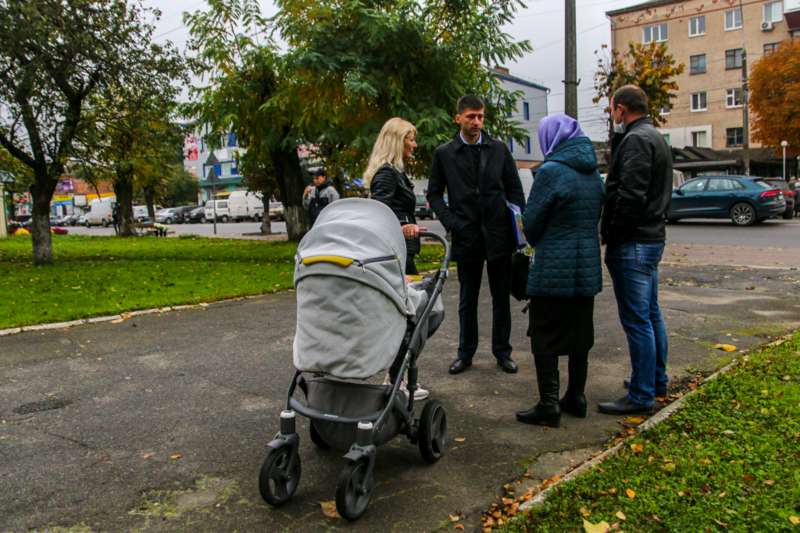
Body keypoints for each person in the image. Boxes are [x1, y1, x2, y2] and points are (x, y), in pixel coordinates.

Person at [514, 114, 604, 427]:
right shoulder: (592, 171)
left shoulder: (551, 172)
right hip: (587, 268)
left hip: (553, 269)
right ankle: (576, 397)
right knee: (580, 335)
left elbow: (533, 225)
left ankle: (548, 405)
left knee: (544, 336)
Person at [427, 95, 525, 375]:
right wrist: (450, 221)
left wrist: (519, 222)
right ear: (458, 118)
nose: (477, 122)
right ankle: (465, 353)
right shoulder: (445, 153)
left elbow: (514, 189)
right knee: (467, 299)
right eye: (471, 116)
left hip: (498, 235)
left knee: (500, 298)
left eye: (481, 116)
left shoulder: (498, 149)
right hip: (466, 234)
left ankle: (502, 352)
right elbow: (434, 193)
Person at [598, 84, 673, 415]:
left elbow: (630, 195)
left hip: (634, 242)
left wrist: (612, 234)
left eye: (611, 109)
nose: (611, 115)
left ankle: (642, 394)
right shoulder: (653, 136)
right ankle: (655, 380)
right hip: (650, 238)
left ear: (620, 109)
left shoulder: (636, 140)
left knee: (638, 320)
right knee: (650, 314)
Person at [365, 117, 423, 275]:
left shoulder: (395, 172)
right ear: (398, 142)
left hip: (400, 249)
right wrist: (401, 227)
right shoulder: (387, 173)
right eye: (411, 140)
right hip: (395, 250)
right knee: (413, 295)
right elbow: (378, 213)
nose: (414, 145)